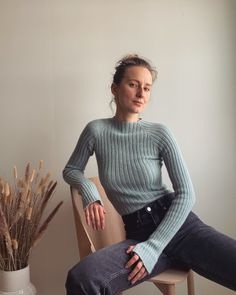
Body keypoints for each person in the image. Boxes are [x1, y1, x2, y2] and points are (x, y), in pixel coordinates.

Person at [63, 54, 236, 295]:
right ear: (115, 88)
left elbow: (186, 194)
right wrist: (90, 192)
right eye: (133, 84)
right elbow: (71, 170)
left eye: (147, 88)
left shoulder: (159, 133)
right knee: (81, 279)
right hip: (139, 235)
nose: (141, 93)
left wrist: (154, 248)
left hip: (180, 228)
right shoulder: (96, 131)